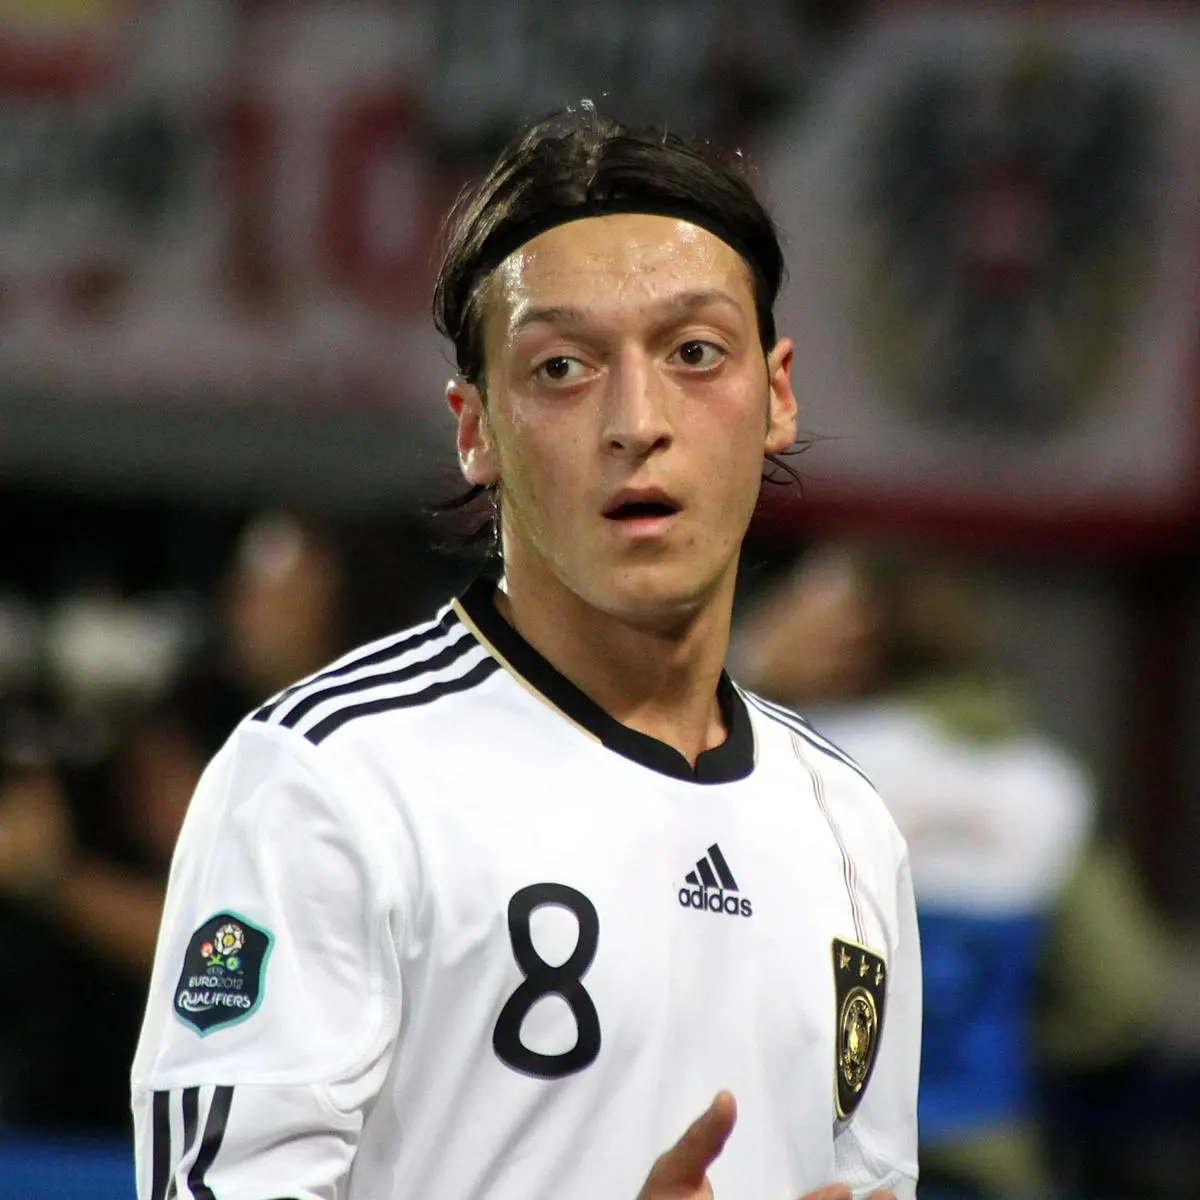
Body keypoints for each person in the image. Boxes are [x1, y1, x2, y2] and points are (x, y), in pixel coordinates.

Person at [130, 104, 920, 1200]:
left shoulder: (850, 830)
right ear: (476, 429)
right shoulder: (326, 778)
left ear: (776, 394)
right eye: (561, 367)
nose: (636, 419)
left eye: (695, 353)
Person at [737, 538, 1165, 1199]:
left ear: (847, 640)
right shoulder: (1046, 787)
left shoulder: (799, 762)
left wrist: (750, 670)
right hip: (984, 1162)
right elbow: (1119, 1005)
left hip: (811, 1165)